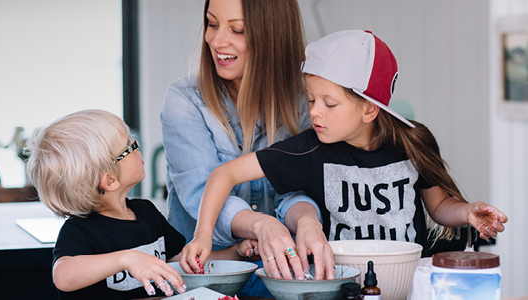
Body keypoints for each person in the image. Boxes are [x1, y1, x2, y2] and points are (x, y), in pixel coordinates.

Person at [181, 30, 509, 281]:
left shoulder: (412, 143)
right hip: (341, 285)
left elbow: (438, 206)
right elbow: (224, 174)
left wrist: (467, 212)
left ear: (369, 109)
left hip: (405, 284)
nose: (315, 113)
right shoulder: (309, 148)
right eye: (311, 100)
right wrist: (203, 236)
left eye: (330, 103)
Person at [160, 0, 321, 290]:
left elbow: (300, 185)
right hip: (205, 281)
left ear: (273, 37)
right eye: (211, 24)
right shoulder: (184, 102)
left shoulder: (306, 101)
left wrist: (309, 222)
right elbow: (201, 195)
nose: (216, 40)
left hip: (282, 277)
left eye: (236, 30)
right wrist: (264, 224)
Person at [24, 109, 257, 300]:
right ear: (111, 180)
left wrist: (234, 253)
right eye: (130, 145)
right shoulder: (81, 230)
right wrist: (126, 258)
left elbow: (177, 262)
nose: (137, 145)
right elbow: (63, 276)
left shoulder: (146, 212)